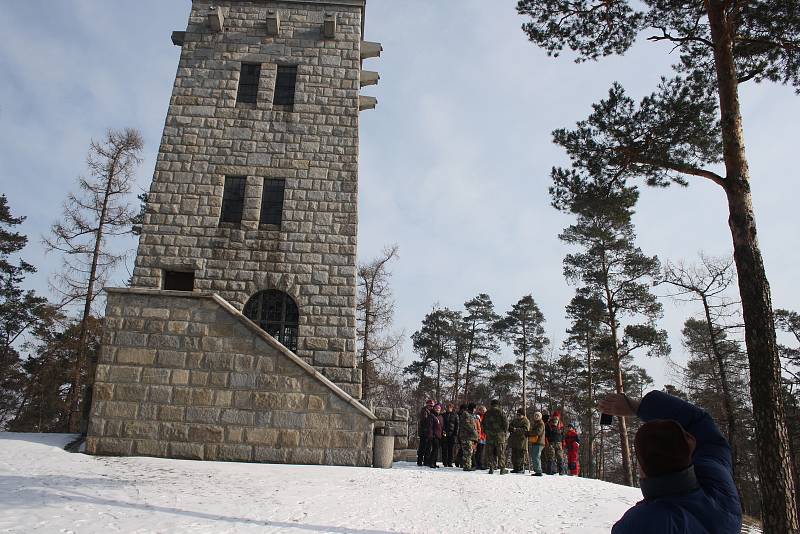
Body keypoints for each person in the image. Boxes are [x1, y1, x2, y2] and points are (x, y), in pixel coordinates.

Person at [599, 390, 742, 533]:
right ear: (690, 448)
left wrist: (636, 407)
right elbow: (702, 426)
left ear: (642, 468)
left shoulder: (645, 523)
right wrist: (637, 407)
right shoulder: (719, 490)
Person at [482, 399, 509, 475]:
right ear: (498, 404)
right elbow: (506, 423)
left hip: (490, 436)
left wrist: (486, 432)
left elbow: (483, 423)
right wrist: (504, 432)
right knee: (500, 453)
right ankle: (502, 469)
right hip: (499, 436)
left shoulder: (487, 413)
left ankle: (491, 468)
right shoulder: (501, 412)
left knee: (490, 452)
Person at [508, 408, 531, 473]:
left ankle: (520, 468)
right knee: (514, 455)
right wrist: (511, 429)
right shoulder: (514, 420)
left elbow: (525, 430)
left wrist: (515, 430)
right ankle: (515, 468)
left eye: (519, 414)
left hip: (522, 441)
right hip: (514, 440)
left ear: (523, 415)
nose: (518, 416)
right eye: (517, 414)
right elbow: (510, 426)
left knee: (520, 456)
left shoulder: (526, 421)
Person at [459, 403, 479, 471]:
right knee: (467, 451)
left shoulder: (470, 415)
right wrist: (474, 431)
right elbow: (467, 424)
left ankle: (468, 465)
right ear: (472, 408)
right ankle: (466, 466)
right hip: (466, 436)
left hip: (470, 436)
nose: (475, 410)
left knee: (469, 451)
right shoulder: (466, 414)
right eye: (475, 408)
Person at [424, 403, 444, 468]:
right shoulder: (431, 416)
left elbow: (442, 426)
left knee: (436, 450)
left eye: (439, 408)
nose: (437, 409)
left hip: (439, 435)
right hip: (434, 436)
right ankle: (431, 463)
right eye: (436, 408)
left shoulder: (440, 417)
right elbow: (430, 427)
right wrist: (431, 435)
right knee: (434, 449)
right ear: (434, 409)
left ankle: (434, 462)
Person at [546, 410, 566, 475]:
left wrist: (563, 443)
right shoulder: (549, 424)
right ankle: (550, 471)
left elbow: (563, 435)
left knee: (560, 457)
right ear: (552, 417)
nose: (555, 418)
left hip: (559, 443)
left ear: (559, 417)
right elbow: (546, 434)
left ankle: (561, 471)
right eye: (554, 417)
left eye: (557, 417)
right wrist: (547, 442)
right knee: (551, 456)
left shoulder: (561, 425)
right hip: (551, 443)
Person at [528, 411, 545, 476]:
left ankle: (539, 471)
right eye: (535, 415)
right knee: (534, 456)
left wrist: (529, 433)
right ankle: (537, 470)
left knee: (536, 456)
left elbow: (538, 432)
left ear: (540, 417)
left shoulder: (541, 423)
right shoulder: (536, 423)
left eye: (537, 416)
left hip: (539, 442)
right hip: (536, 442)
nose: (536, 417)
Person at [417, 399, 434, 466]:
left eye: (432, 406)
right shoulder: (424, 411)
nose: (431, 407)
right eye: (430, 406)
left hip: (429, 433)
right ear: (427, 405)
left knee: (428, 448)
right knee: (422, 448)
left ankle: (426, 461)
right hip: (424, 432)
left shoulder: (430, 412)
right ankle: (420, 461)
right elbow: (424, 421)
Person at [442, 403, 459, 467]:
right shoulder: (443, 415)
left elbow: (457, 425)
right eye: (447, 407)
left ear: (452, 408)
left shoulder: (455, 415)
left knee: (451, 449)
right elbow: (442, 424)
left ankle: (450, 462)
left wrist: (455, 434)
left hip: (452, 434)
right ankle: (445, 462)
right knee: (444, 448)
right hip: (445, 433)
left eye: (450, 407)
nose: (449, 408)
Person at [474, 405, 487, 470]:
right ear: (480, 410)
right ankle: (477, 464)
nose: (484, 412)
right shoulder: (477, 417)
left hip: (484, 436)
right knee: (478, 451)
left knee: (481, 451)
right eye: (483, 411)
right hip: (479, 436)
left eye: (485, 411)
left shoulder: (485, 417)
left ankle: (480, 464)